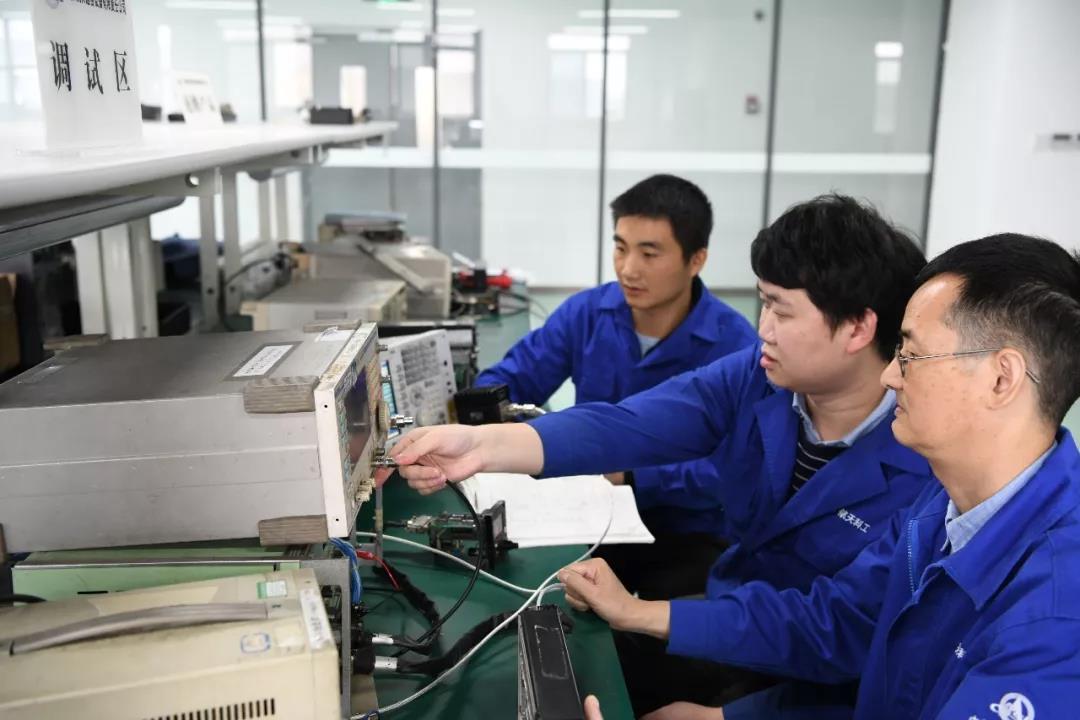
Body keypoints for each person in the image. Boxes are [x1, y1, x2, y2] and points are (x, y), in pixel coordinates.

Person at [384, 195, 933, 716]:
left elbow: (838, 630)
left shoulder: (926, 462)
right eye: (763, 303)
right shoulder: (760, 378)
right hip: (731, 624)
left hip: (812, 688)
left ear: (858, 327)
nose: (763, 329)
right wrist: (482, 445)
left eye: (781, 312)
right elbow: (630, 424)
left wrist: (666, 644)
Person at [559, 234, 1080, 719]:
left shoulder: (1056, 619)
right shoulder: (944, 505)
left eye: (911, 354)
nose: (890, 375)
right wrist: (638, 615)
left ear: (1001, 379)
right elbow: (833, 623)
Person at [474, 173, 757, 599]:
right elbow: (509, 381)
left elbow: (733, 466)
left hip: (686, 532)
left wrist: (632, 476)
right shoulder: (587, 314)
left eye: (649, 253)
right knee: (519, 590)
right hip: (587, 516)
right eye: (621, 248)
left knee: (666, 624)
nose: (628, 269)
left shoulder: (735, 344)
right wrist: (495, 425)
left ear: (696, 259)